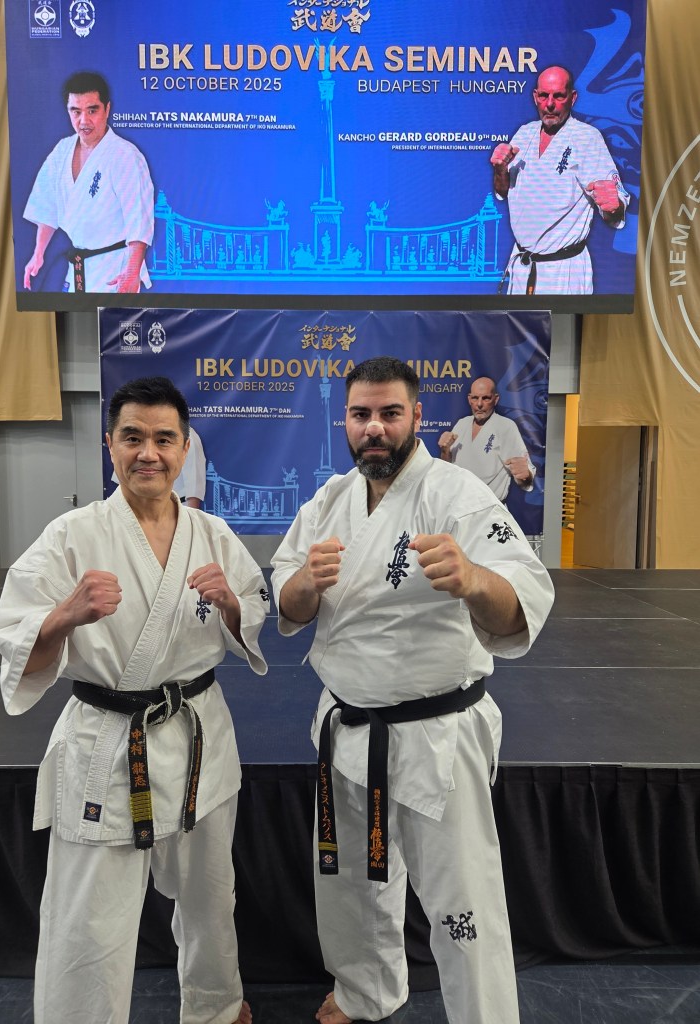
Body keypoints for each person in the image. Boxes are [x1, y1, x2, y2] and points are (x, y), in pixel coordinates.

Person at [270, 357, 554, 1024]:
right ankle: (366, 990)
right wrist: (305, 582)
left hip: (435, 738)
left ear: (417, 417)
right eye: (361, 414)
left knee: (462, 903)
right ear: (344, 421)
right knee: (351, 885)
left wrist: (474, 578)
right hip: (347, 732)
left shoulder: (457, 495)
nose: (374, 427)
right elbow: (286, 597)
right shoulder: (329, 500)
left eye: (389, 413)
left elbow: (526, 595)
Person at [0, 376, 268, 1024]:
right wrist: (65, 614)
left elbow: (253, 614)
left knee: (211, 896)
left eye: (164, 439)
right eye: (133, 437)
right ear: (109, 444)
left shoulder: (213, 534)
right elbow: (16, 635)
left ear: (185, 448)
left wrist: (232, 605)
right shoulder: (71, 535)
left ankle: (216, 1005)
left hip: (199, 742)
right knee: (89, 918)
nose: (149, 453)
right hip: (108, 744)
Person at [491, 65, 630, 294]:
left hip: (563, 271)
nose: (550, 104)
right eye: (544, 96)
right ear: (535, 97)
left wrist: (614, 206)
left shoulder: (587, 138)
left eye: (558, 96)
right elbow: (504, 191)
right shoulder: (524, 134)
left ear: (572, 98)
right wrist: (499, 170)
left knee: (563, 320)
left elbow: (613, 204)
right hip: (522, 265)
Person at [23, 71, 154, 293]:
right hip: (77, 268)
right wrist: (38, 253)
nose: (84, 121)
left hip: (115, 270)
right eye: (76, 112)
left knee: (115, 317)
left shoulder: (125, 155)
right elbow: (47, 205)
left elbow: (138, 218)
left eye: (92, 110)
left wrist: (132, 272)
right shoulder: (62, 150)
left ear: (107, 109)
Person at [437, 376, 536, 502]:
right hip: (458, 505)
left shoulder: (506, 426)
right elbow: (448, 468)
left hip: (489, 507)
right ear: (469, 399)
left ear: (495, 399)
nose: (479, 404)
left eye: (486, 398)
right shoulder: (461, 424)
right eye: (475, 398)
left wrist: (526, 475)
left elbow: (524, 475)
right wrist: (444, 450)